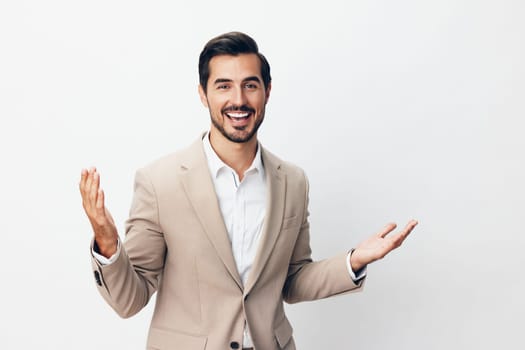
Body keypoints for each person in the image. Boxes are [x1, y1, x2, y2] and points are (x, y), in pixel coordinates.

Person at [79, 31, 418, 350]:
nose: (238, 100)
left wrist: (353, 261)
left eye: (250, 85)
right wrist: (107, 242)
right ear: (203, 93)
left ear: (267, 91)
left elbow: (293, 280)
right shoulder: (160, 182)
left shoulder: (293, 182)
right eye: (223, 86)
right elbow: (130, 299)